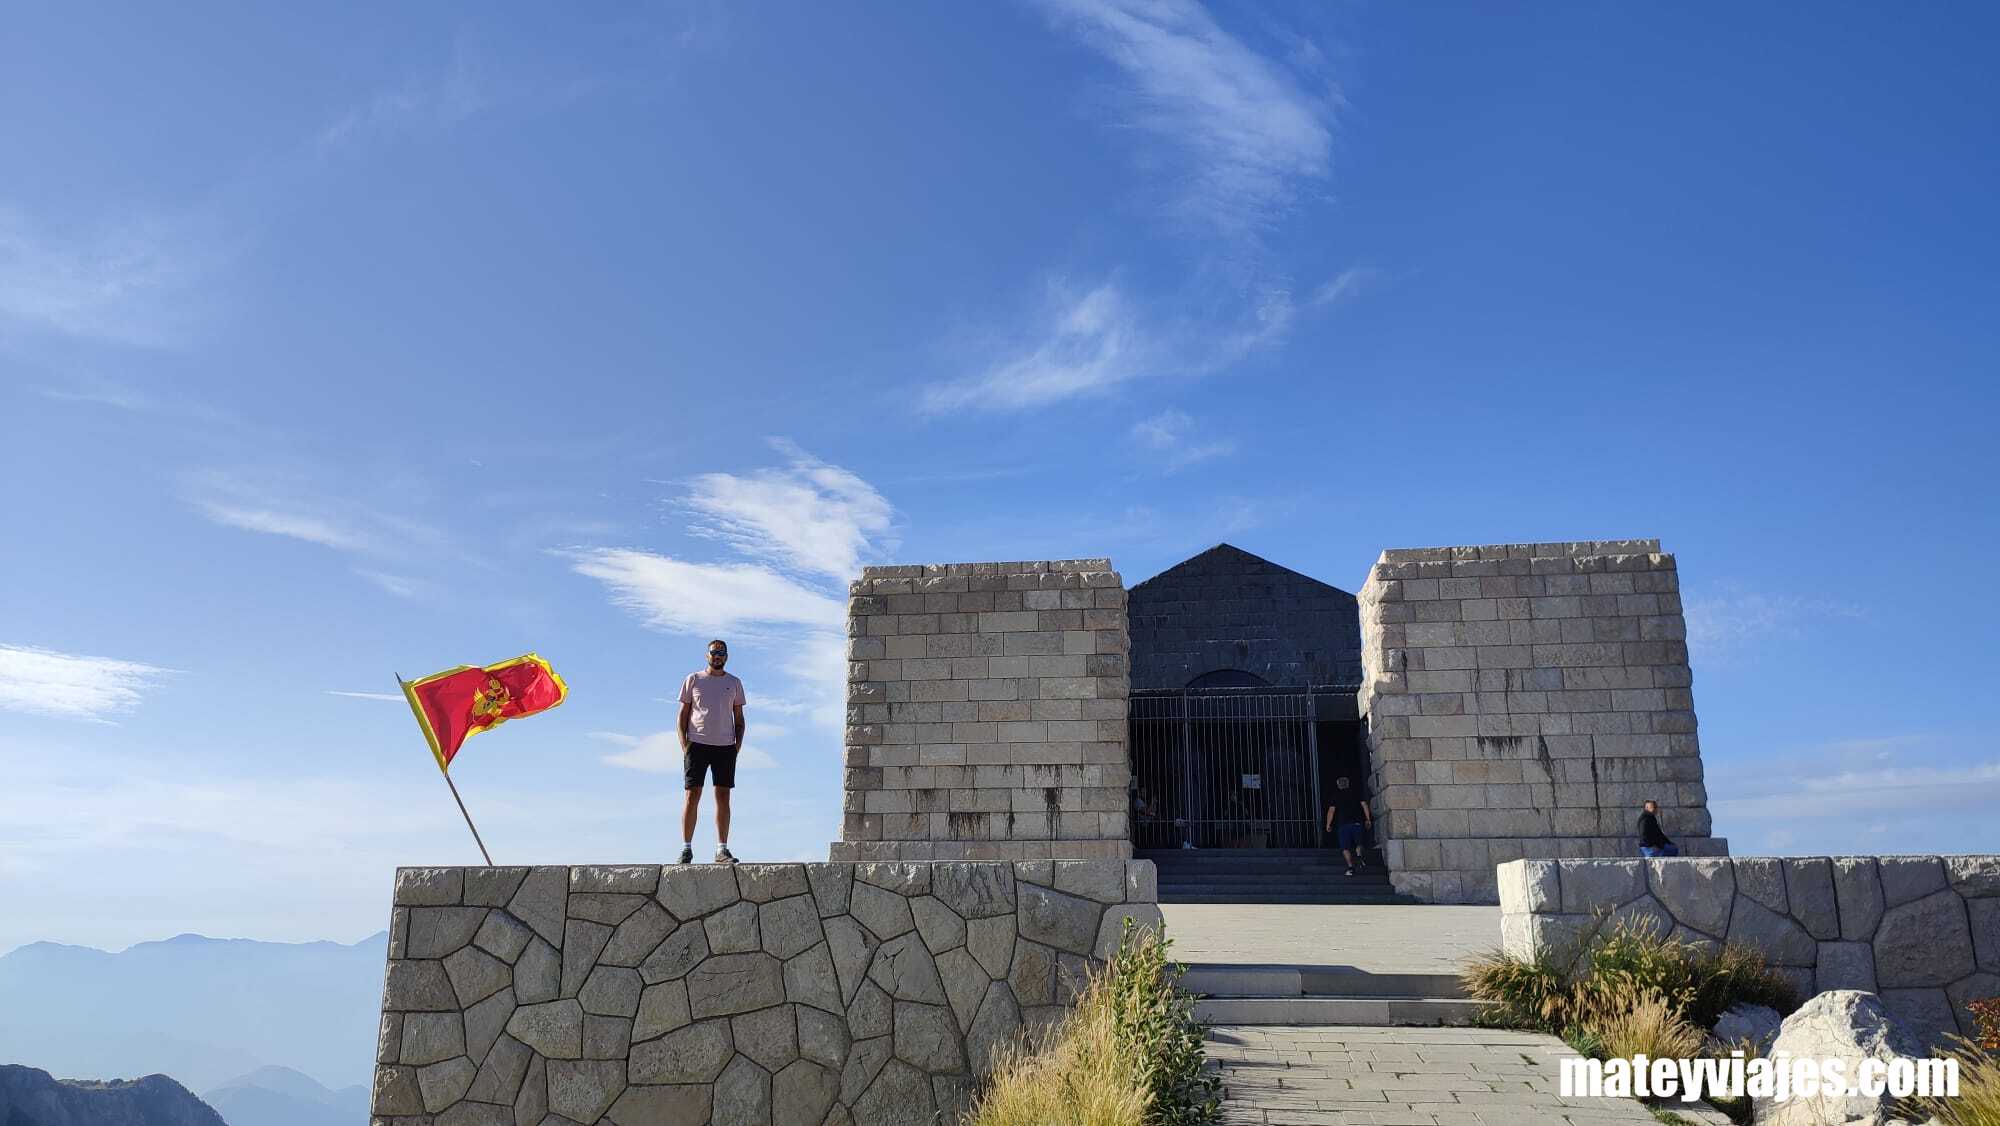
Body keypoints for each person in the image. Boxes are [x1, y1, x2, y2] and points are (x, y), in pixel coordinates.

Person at [678, 639, 746, 864]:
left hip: (725, 747)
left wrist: (736, 746)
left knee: (723, 797)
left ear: (727, 657)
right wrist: (684, 745)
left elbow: (739, 718)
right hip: (697, 744)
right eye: (713, 653)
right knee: (691, 795)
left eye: (721, 653)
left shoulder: (734, 683)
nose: (717, 656)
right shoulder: (693, 680)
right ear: (707, 655)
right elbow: (682, 715)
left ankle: (722, 849)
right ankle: (686, 848)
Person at [1323, 774, 1373, 876]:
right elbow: (1364, 805)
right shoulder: (1356, 793)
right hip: (1357, 823)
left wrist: (1328, 824)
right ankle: (1359, 856)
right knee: (1359, 843)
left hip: (1343, 824)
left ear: (1338, 785)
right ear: (1348, 784)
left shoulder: (1336, 796)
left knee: (1345, 848)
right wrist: (1368, 819)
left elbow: (1331, 811)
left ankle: (1350, 867)